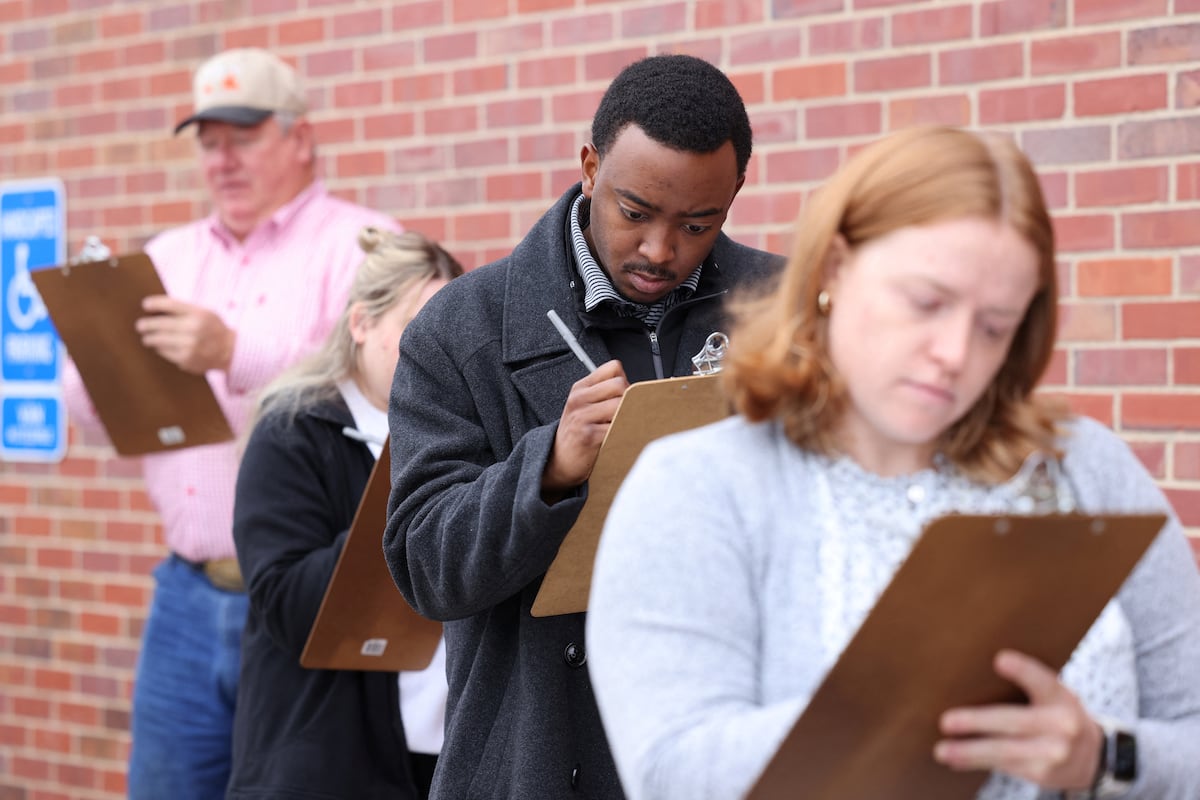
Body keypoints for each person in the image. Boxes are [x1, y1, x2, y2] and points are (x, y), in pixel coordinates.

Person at [585, 125, 1200, 800]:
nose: (955, 351)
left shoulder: (1083, 467)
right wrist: (904, 700)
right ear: (836, 270)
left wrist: (1102, 756)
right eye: (926, 303)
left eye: (995, 325)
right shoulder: (699, 488)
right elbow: (674, 771)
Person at [382, 54, 784, 799]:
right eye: (636, 213)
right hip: (537, 758)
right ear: (591, 167)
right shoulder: (462, 326)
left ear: (735, 195)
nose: (661, 250)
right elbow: (423, 566)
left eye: (698, 224)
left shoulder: (785, 307)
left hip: (734, 743)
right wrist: (548, 470)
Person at [60, 48, 402, 800]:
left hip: (304, 598)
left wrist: (231, 352)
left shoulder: (368, 247)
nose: (222, 159)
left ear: (300, 138)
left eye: (242, 136)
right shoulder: (168, 255)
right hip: (183, 595)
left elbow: (386, 388)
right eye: (208, 142)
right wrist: (93, 348)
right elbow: (86, 413)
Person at [228, 227, 462, 799]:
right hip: (329, 762)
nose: (438, 352)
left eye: (451, 334)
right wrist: (405, 486)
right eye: (417, 331)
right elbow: (287, 603)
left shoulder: (465, 427)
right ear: (361, 324)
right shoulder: (292, 430)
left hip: (446, 753)